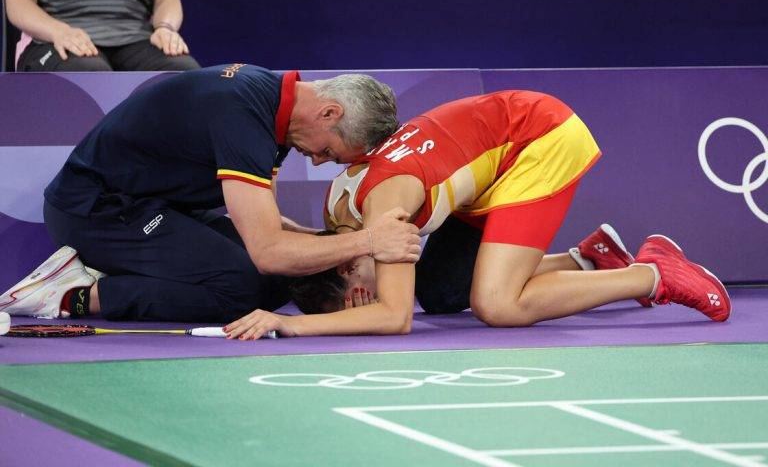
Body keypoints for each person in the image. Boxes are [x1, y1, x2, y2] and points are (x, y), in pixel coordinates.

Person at [224, 90, 731, 340]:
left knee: (497, 304)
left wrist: (285, 326)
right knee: (443, 294)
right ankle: (590, 260)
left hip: (536, 137)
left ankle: (653, 274)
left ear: (348, 278)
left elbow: (394, 317)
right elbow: (382, 285)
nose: (368, 297)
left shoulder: (384, 207)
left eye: (359, 297)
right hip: (481, 169)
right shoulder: (339, 203)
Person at [0, 64, 421, 322]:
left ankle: (123, 272)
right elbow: (269, 251)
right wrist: (367, 240)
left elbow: (267, 226)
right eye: (327, 150)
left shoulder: (270, 104)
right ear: (330, 113)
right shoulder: (242, 116)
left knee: (277, 282)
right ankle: (73, 294)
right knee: (241, 285)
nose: (314, 161)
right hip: (95, 211)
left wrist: (330, 248)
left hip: (151, 207)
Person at [2, 0, 200, 71]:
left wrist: (165, 28)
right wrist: (58, 31)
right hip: (55, 36)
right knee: (92, 75)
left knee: (183, 74)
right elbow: (19, 3)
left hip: (136, 36)